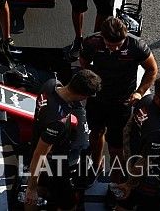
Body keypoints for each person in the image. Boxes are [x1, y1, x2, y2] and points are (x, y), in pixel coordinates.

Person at [79, 16, 158, 185]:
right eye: (109, 45)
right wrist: (90, 84)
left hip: (122, 102)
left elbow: (152, 69)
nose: (114, 49)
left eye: (118, 45)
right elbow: (83, 62)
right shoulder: (92, 42)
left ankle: (117, 178)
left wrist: (139, 92)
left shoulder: (137, 46)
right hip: (97, 98)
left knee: (116, 144)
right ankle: (96, 164)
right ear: (102, 38)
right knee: (95, 133)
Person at [24, 69, 102, 211]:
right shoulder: (59, 121)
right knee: (68, 204)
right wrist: (31, 188)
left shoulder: (51, 84)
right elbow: (40, 155)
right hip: (55, 164)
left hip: (37, 143)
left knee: (40, 190)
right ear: (83, 96)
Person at [114, 75, 160, 211]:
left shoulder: (146, 100)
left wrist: (127, 160)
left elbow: (127, 129)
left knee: (123, 206)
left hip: (131, 165)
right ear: (158, 99)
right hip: (149, 181)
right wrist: (130, 184)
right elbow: (146, 161)